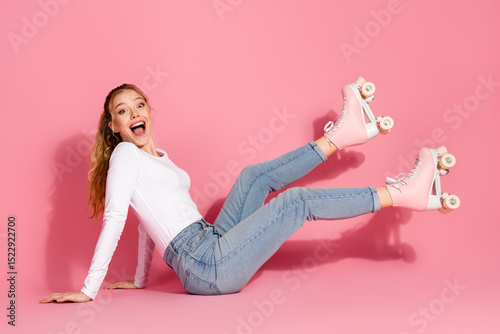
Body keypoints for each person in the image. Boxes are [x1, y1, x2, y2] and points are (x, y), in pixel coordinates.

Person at [40, 77, 460, 303]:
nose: (132, 113)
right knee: (296, 202)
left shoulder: (158, 160)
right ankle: (401, 195)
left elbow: (145, 224)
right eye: (121, 111)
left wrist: (138, 280)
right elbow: (117, 217)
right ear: (114, 127)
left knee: (252, 178)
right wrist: (89, 289)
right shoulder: (126, 157)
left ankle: (340, 138)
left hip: (209, 241)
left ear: (150, 111)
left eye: (138, 105)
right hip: (205, 266)